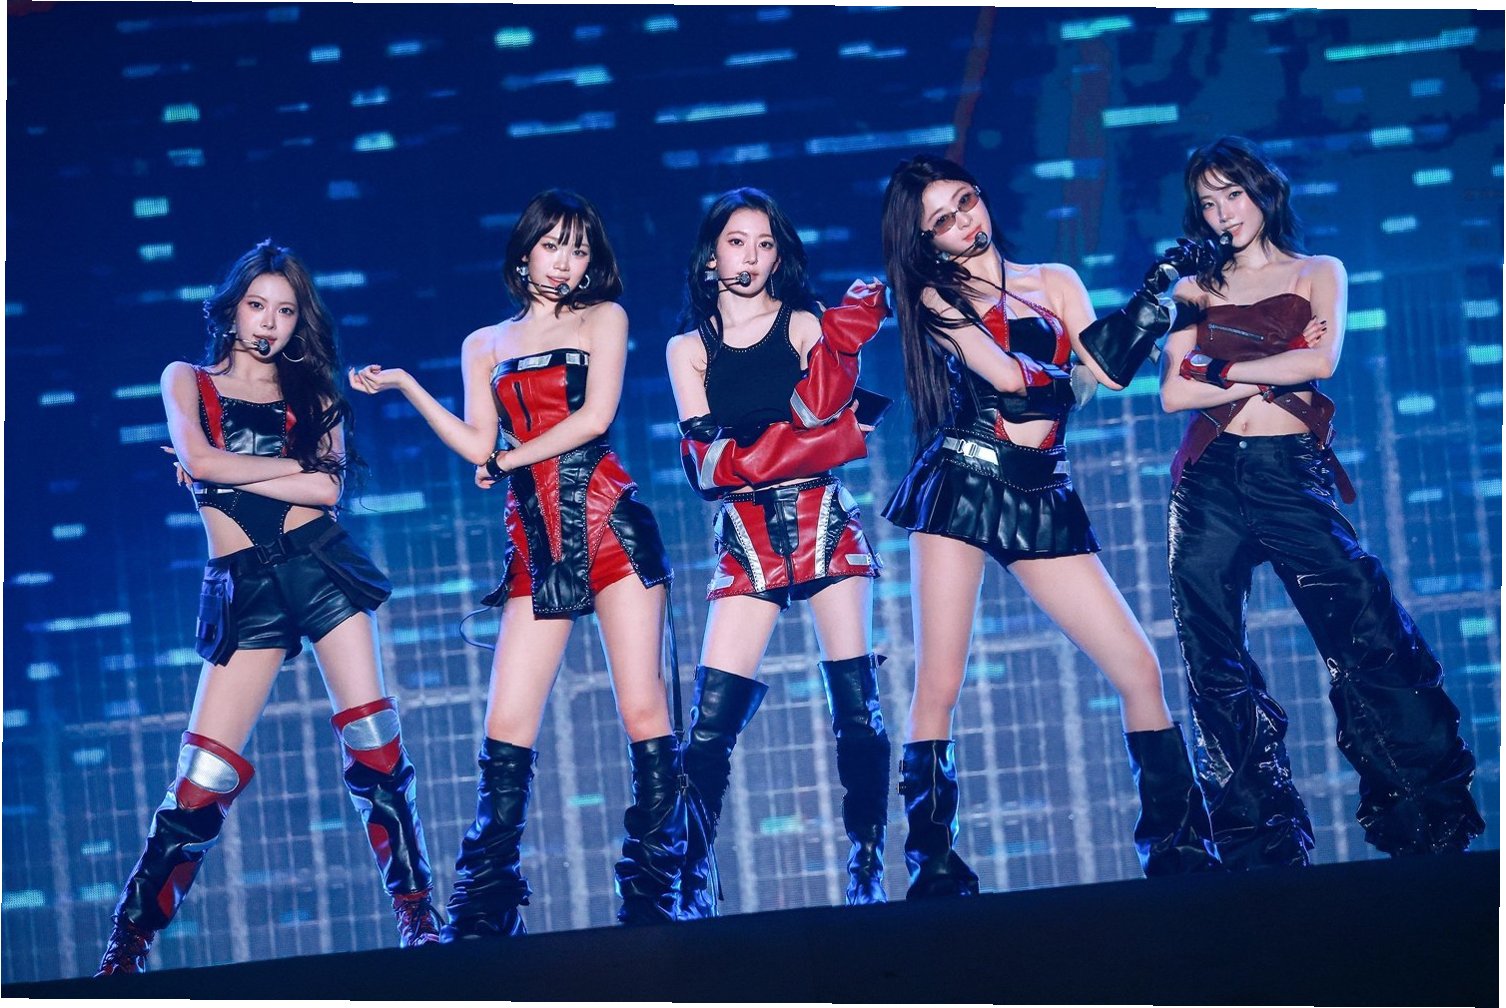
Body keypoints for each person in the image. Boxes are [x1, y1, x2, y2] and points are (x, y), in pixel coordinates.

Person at [879, 153, 1221, 898]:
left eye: (965, 201)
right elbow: (1012, 378)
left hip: (1041, 487)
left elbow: (1102, 382)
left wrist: (1152, 303)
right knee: (939, 680)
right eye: (941, 219)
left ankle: (1180, 851)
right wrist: (1118, 338)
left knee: (1139, 668)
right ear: (925, 239)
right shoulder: (935, 298)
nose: (963, 221)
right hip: (965, 481)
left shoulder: (1056, 280)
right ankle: (933, 864)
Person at [97, 240, 441, 975]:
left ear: (297, 322)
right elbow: (202, 460)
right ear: (232, 309)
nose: (269, 322)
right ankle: (127, 946)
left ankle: (417, 910)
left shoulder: (313, 392)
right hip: (243, 585)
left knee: (377, 744)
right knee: (202, 776)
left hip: (320, 566)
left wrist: (227, 474)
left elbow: (327, 490)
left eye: (285, 311)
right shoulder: (186, 379)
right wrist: (282, 467)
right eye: (257, 305)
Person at [348, 189, 683, 934]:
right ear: (525, 250)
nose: (565, 262)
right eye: (553, 245)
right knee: (506, 725)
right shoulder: (484, 344)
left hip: (609, 525)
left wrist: (505, 460)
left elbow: (594, 419)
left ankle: (656, 892)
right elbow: (477, 442)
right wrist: (405, 385)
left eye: (579, 249)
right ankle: (488, 904)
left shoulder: (604, 318)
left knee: (642, 709)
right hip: (537, 542)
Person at [1159, 135, 1484, 868]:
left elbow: (1322, 360)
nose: (1223, 213)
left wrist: (1221, 366)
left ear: (1263, 191)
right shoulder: (1193, 289)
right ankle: (1261, 845)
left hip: (1287, 471)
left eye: (1233, 194)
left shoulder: (1317, 271)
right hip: (1207, 478)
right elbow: (1176, 392)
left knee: (1365, 627)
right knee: (1213, 657)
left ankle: (1425, 825)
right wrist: (1265, 366)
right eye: (1208, 203)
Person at [666, 188, 892, 916]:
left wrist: (779, 448)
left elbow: (830, 417)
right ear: (710, 256)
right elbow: (706, 468)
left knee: (857, 707)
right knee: (709, 725)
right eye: (738, 242)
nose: (752, 257)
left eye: (765, 244)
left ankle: (867, 861)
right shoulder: (687, 348)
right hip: (747, 536)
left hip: (824, 520)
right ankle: (692, 875)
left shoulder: (804, 324)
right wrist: (817, 441)